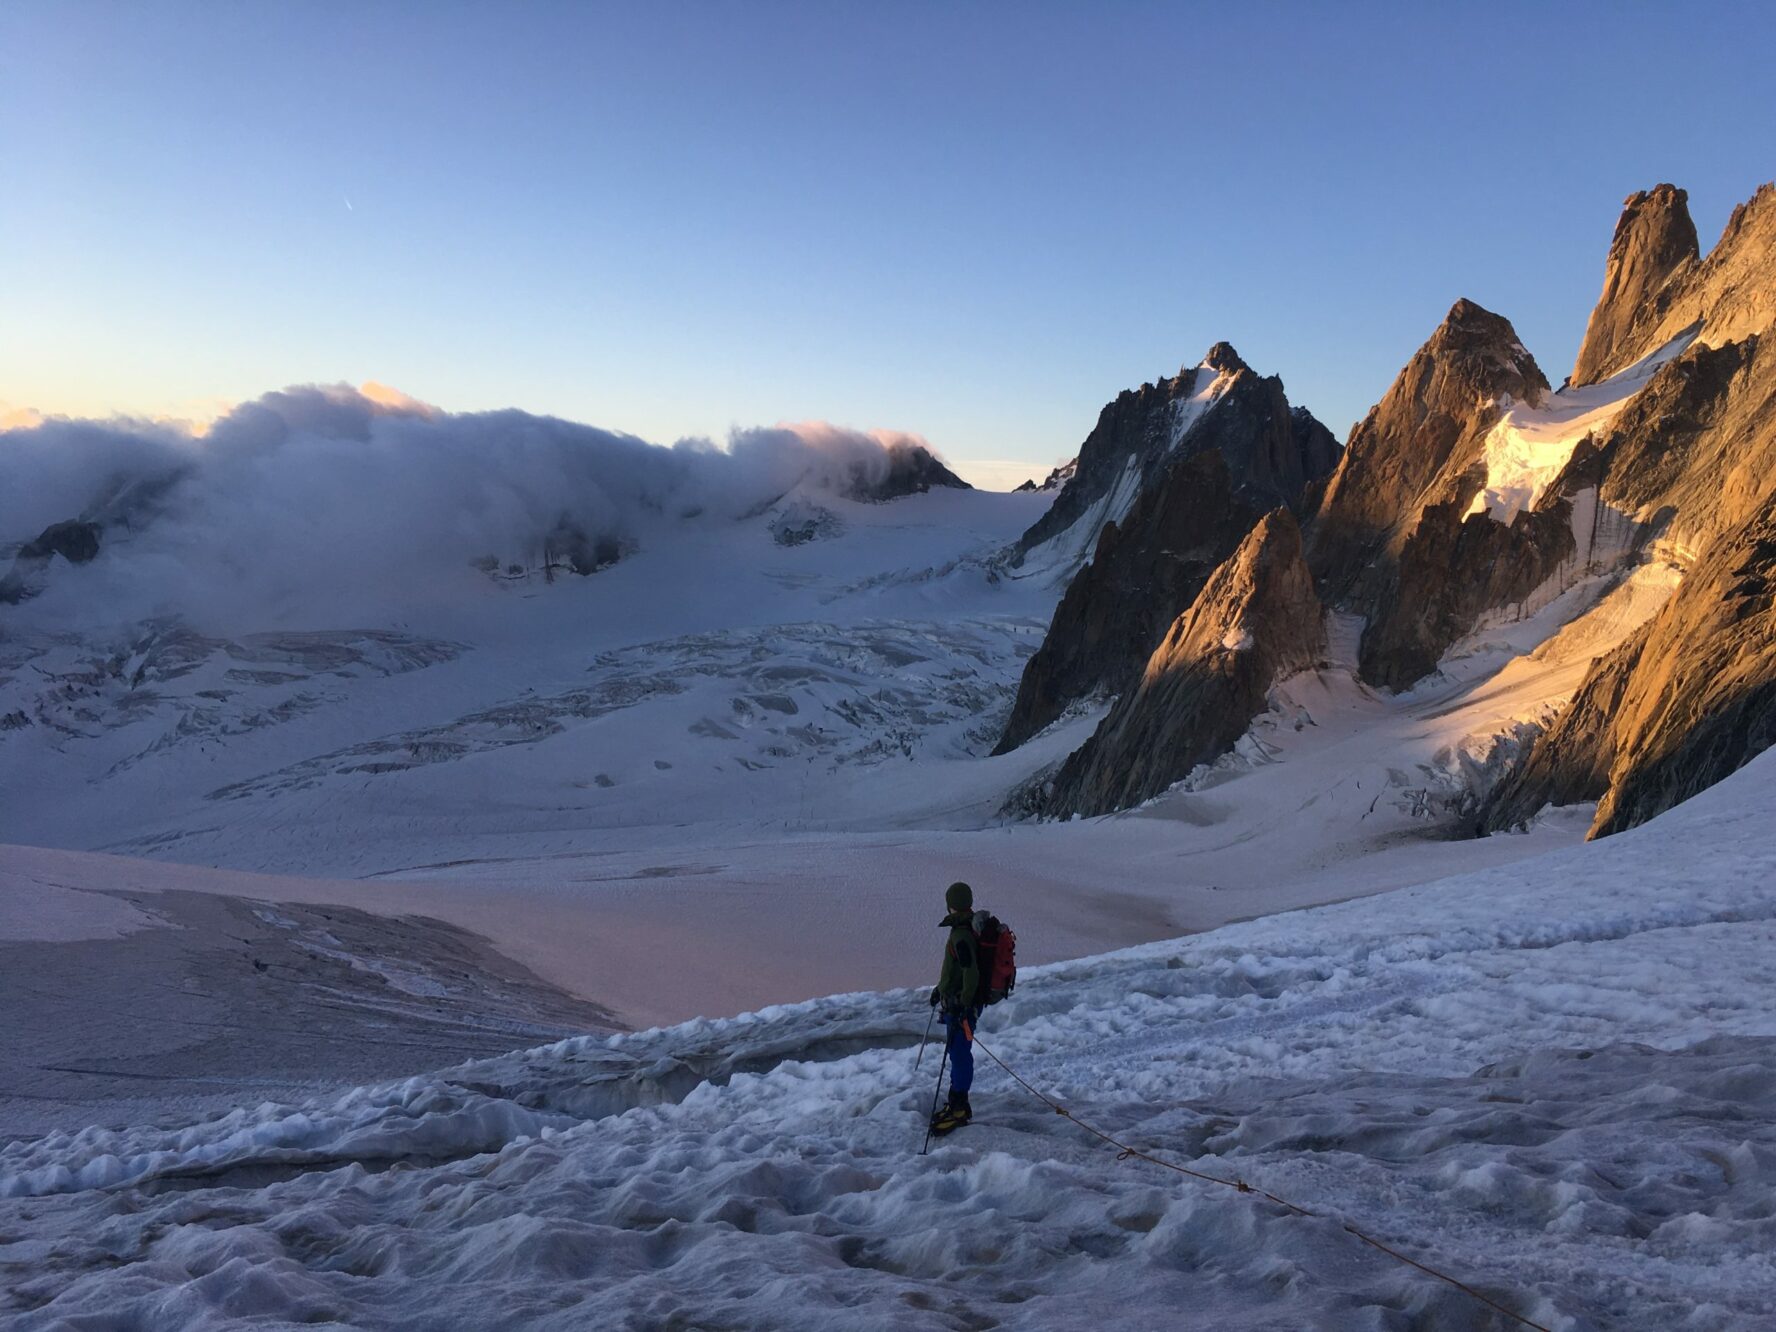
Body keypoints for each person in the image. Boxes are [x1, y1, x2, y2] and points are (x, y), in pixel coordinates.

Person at [927, 880, 980, 1133]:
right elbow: (957, 970)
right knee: (957, 1052)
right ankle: (956, 1102)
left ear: (951, 906)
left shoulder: (961, 934)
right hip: (957, 1004)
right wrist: (941, 989)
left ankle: (959, 1108)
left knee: (959, 1055)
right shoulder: (965, 929)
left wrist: (963, 1006)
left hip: (961, 1008)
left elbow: (971, 973)